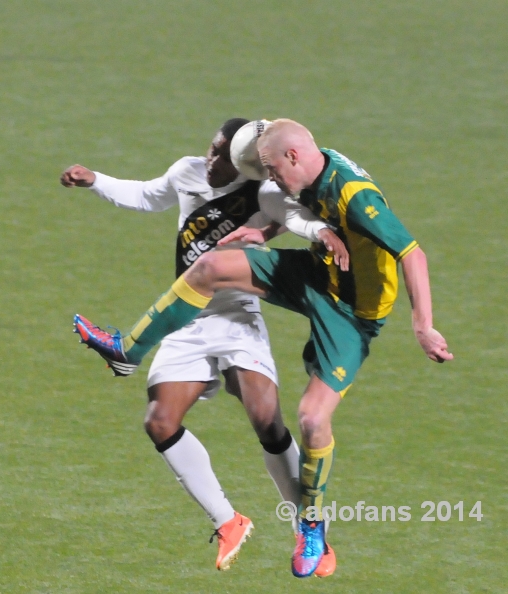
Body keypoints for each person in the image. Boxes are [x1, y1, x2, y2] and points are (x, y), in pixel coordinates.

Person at [74, 118, 452, 578]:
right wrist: (265, 234)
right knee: (210, 266)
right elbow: (296, 211)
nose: (268, 180)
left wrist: (423, 327)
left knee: (312, 420)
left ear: (293, 157)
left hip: (354, 314)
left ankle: (311, 526)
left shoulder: (355, 196)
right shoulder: (308, 166)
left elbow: (412, 253)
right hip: (317, 274)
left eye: (271, 170)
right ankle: (127, 350)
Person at [65, 118, 345, 575]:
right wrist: (96, 180)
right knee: (159, 421)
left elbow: (296, 218)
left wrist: (322, 233)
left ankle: (311, 530)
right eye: (211, 150)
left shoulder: (262, 192)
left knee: (266, 420)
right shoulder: (187, 171)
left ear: (245, 164)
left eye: (221, 156)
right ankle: (228, 520)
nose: (210, 160)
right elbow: (146, 194)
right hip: (185, 314)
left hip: (237, 313)